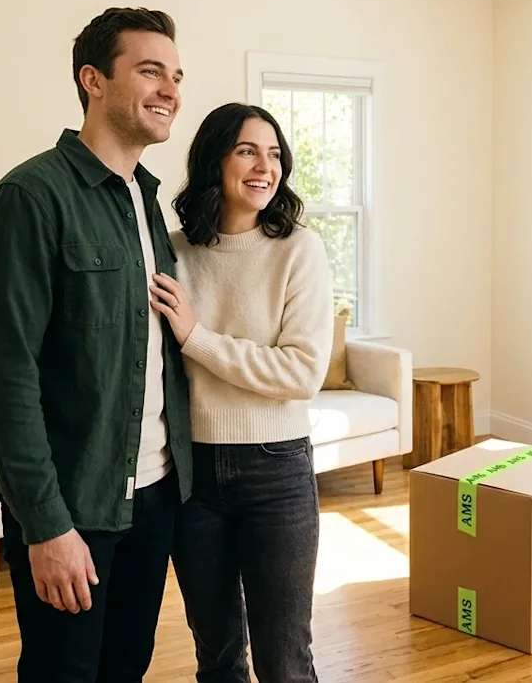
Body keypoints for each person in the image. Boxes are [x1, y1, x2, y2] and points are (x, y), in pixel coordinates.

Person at [0, 7, 193, 683]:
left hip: (154, 495)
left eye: (177, 75)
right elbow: (6, 379)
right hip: (74, 508)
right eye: (150, 70)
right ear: (92, 80)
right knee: (62, 672)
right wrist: (45, 527)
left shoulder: (148, 202)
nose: (170, 90)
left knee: (127, 666)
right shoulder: (30, 198)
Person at [148, 103, 334, 683]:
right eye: (247, 150)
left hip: (277, 470)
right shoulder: (172, 252)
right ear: (214, 160)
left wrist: (197, 338)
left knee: (286, 662)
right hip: (190, 473)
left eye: (274, 153)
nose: (265, 166)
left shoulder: (299, 250)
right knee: (219, 659)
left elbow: (301, 373)